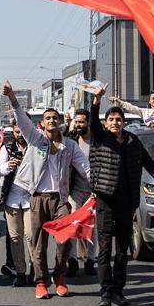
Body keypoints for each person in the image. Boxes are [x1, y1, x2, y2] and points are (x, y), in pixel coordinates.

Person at [88, 83, 154, 306]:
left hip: (127, 201)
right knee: (105, 248)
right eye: (111, 119)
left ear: (123, 122)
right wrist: (96, 101)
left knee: (122, 250)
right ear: (106, 123)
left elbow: (149, 164)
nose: (115, 122)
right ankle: (105, 294)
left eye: (118, 119)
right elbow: (92, 122)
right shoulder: (100, 138)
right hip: (106, 200)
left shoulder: (133, 141)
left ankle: (118, 290)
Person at [3, 81, 91, 300]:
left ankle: (59, 277)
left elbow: (85, 167)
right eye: (48, 118)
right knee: (37, 243)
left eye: (55, 118)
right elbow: (22, 120)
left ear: (60, 122)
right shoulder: (36, 139)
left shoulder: (69, 146)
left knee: (64, 239)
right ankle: (41, 281)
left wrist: (98, 185)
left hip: (60, 200)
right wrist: (12, 97)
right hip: (37, 199)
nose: (52, 121)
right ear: (42, 123)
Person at [0, 118, 32, 287]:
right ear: (13, 130)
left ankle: (35, 270)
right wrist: (8, 166)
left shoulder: (37, 145)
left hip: (31, 198)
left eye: (23, 131)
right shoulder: (8, 147)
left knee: (31, 236)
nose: (21, 135)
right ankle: (20, 272)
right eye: (17, 132)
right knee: (15, 237)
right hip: (12, 198)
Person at [65, 108, 97, 276]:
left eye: (81, 122)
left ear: (88, 123)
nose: (78, 125)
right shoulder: (71, 140)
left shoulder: (97, 141)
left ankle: (91, 260)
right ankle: (72, 261)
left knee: (92, 227)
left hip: (93, 191)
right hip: (74, 191)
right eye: (76, 122)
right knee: (72, 225)